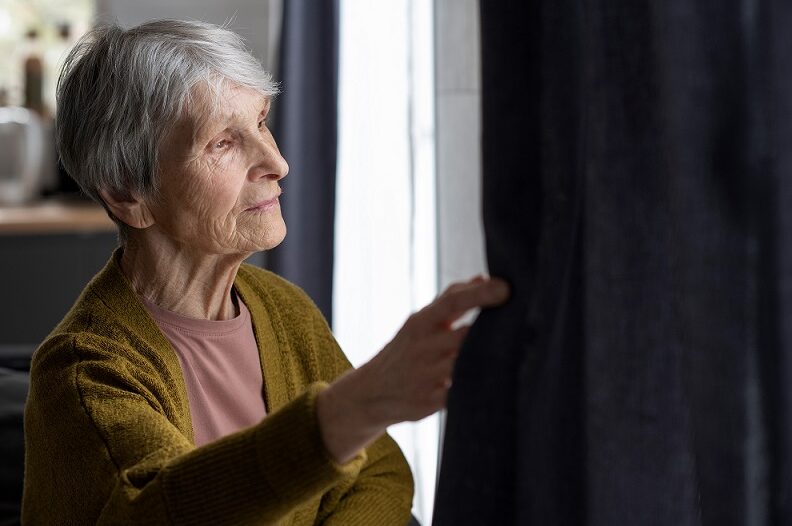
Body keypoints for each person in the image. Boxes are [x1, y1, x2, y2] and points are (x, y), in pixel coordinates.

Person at [21, 19, 509, 525]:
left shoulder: (282, 308)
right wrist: (358, 407)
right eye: (222, 143)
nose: (276, 161)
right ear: (128, 194)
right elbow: (163, 510)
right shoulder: (81, 373)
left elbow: (382, 474)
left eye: (260, 121)